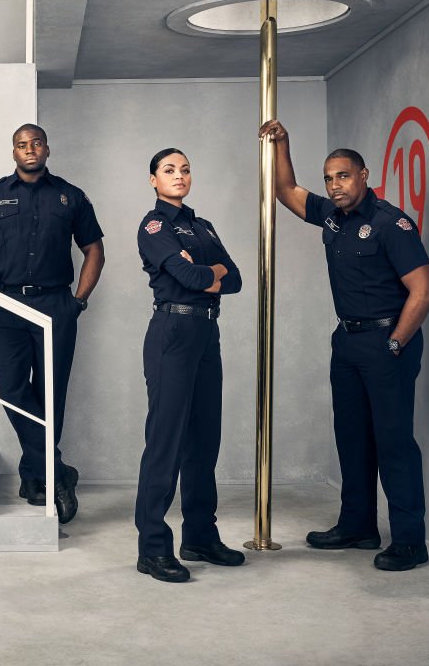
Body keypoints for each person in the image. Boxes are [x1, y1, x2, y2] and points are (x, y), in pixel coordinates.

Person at [259, 119, 429, 571]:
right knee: (352, 438)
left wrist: (395, 344)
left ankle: (410, 541)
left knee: (393, 442)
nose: (334, 185)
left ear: (364, 176)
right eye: (329, 178)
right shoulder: (333, 217)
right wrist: (283, 142)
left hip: (387, 341)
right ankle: (357, 525)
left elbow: (423, 291)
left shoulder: (390, 223)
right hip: (348, 340)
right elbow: (285, 191)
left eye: (343, 176)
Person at [0, 124, 104, 524]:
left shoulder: (71, 197)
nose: (29, 150)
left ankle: (34, 475)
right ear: (13, 152)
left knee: (50, 395)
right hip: (6, 302)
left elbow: (94, 251)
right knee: (12, 390)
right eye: (22, 145)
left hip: (55, 302)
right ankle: (57, 472)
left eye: (36, 143)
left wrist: (78, 301)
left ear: (46, 149)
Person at [133, 148, 245, 583]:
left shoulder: (202, 226)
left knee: (204, 439)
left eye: (185, 169)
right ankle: (152, 548)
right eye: (168, 170)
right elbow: (195, 280)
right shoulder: (154, 226)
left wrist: (205, 269)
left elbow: (232, 278)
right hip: (173, 333)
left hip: (206, 333)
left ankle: (199, 535)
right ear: (153, 180)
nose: (178, 176)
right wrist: (207, 271)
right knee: (166, 442)